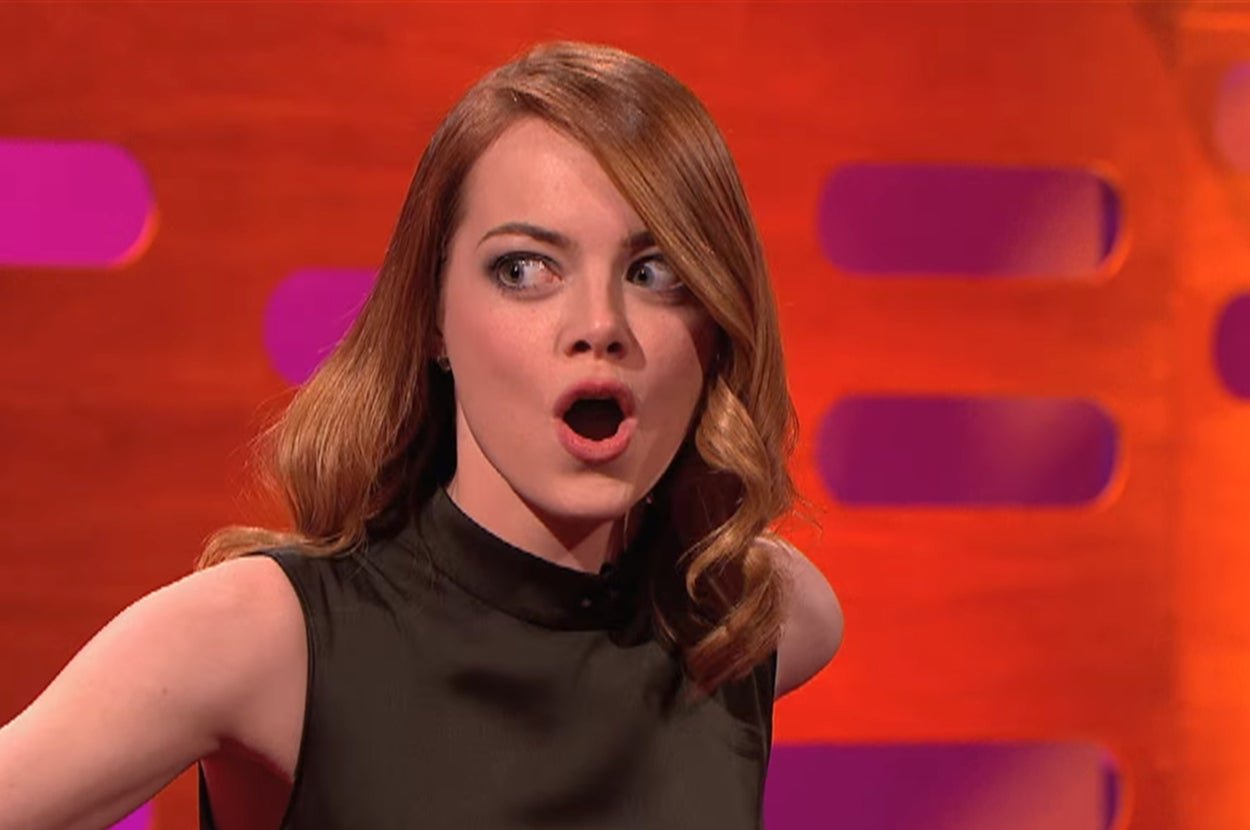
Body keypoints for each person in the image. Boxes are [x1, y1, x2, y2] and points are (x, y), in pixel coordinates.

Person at [0, 41, 842, 830]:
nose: (599, 325)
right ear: (434, 317)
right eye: (524, 269)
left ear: (718, 324)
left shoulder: (753, 616)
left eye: (656, 273)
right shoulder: (265, 639)